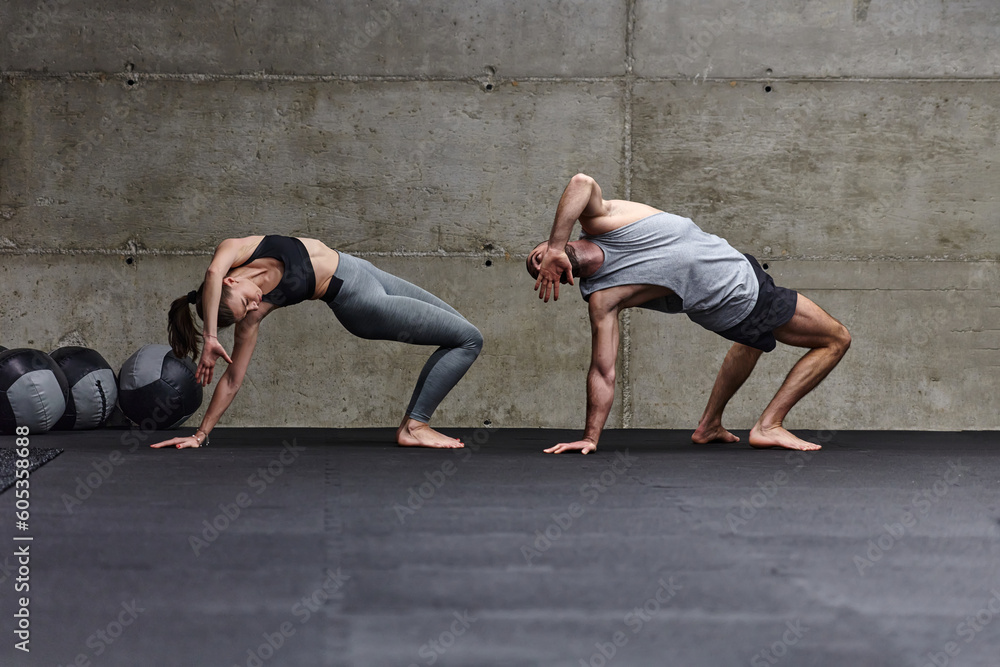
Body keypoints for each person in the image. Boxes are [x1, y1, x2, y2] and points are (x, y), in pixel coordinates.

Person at [527, 174, 851, 454]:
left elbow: (581, 183)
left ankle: (709, 425)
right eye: (538, 270)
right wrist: (589, 437)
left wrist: (556, 247)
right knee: (836, 339)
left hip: (741, 272)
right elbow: (603, 371)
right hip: (741, 297)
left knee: (752, 341)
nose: (541, 262)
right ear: (558, 279)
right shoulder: (603, 297)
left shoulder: (601, 222)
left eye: (538, 255)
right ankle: (769, 425)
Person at [151, 235, 482, 450]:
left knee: (463, 331)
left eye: (246, 302)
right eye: (248, 310)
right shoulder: (252, 319)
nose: (255, 305)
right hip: (361, 301)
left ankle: (414, 425)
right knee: (469, 339)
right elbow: (233, 379)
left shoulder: (235, 249)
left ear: (231, 279)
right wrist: (200, 434)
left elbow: (210, 275)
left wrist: (210, 337)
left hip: (363, 270)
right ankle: (415, 425)